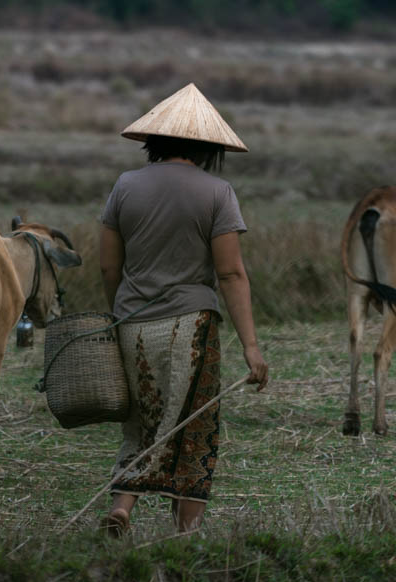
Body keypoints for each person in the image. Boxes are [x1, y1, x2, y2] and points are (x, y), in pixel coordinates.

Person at [97, 83, 269, 537]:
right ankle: (185, 532)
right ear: (207, 146)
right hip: (191, 327)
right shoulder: (217, 192)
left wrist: (121, 313)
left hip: (133, 325)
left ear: (153, 140)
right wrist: (251, 346)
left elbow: (108, 264)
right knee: (195, 428)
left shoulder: (125, 186)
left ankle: (123, 505)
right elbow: (231, 274)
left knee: (139, 419)